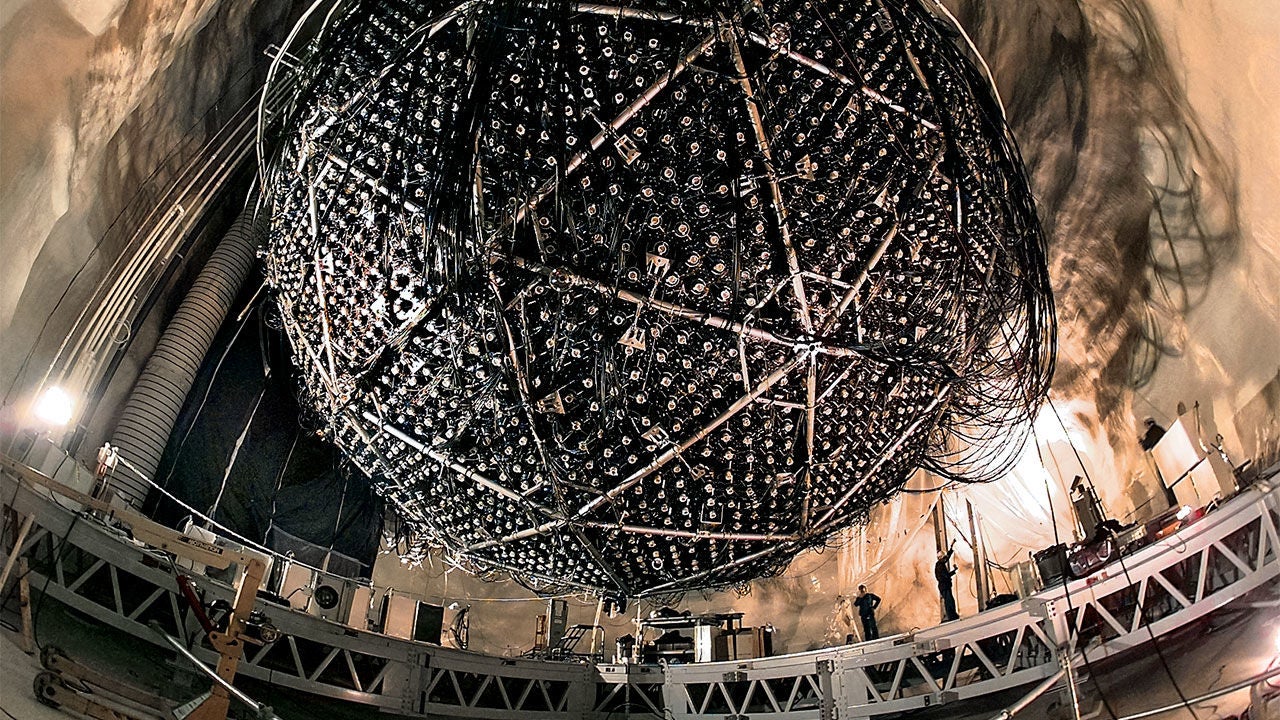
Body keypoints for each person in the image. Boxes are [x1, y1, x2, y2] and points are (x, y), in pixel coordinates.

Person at [934, 541, 959, 621]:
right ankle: (952, 616)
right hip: (944, 586)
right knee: (949, 602)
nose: (945, 559)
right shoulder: (940, 566)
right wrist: (953, 571)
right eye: (944, 558)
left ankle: (952, 615)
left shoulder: (940, 564)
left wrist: (951, 548)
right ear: (941, 558)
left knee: (950, 601)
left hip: (944, 586)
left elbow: (947, 557)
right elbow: (945, 576)